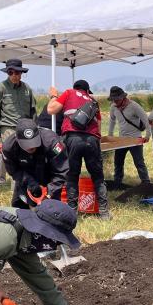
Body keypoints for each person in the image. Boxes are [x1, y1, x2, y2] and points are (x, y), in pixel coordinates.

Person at [47, 80, 111, 219]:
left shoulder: (69, 93)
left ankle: (72, 212)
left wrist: (53, 96)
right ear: (87, 91)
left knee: (72, 176)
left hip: (72, 138)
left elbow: (51, 110)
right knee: (98, 177)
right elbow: (98, 126)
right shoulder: (93, 102)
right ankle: (104, 213)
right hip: (92, 140)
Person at [0, 59, 36, 185]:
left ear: (21, 73)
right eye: (11, 72)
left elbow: (33, 111)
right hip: (7, 128)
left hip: (25, 128)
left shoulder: (27, 89)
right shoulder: (0, 88)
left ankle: (19, 180)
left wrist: (34, 130)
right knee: (4, 153)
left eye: (17, 73)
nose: (14, 75)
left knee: (24, 155)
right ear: (7, 73)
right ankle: (1, 180)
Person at [3, 118, 69, 208]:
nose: (31, 147)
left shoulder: (52, 143)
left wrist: (50, 192)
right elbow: (14, 171)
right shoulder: (9, 147)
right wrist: (28, 181)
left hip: (49, 176)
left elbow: (61, 171)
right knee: (19, 210)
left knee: (50, 211)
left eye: (34, 142)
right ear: (17, 140)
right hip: (25, 177)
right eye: (27, 144)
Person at [107, 86, 152, 188]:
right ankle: (117, 183)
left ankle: (146, 183)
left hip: (135, 140)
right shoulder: (113, 107)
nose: (115, 101)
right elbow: (112, 120)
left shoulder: (134, 106)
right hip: (121, 140)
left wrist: (148, 134)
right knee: (118, 162)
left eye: (117, 99)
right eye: (113, 99)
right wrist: (110, 134)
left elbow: (145, 119)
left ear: (123, 97)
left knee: (139, 163)